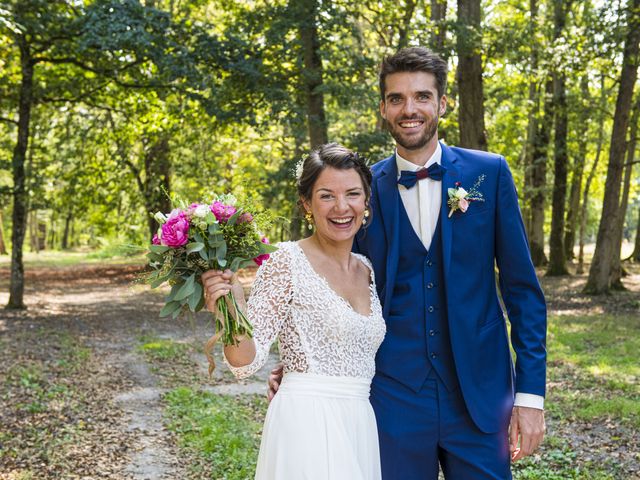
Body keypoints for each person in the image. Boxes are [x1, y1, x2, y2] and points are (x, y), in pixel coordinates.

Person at [269, 47, 547, 479]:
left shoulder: (488, 175)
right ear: (383, 108)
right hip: (391, 397)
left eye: (421, 96)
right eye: (396, 98)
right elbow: (335, 280)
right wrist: (303, 363)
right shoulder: (360, 190)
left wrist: (530, 397)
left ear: (442, 103)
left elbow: (524, 295)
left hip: (480, 396)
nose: (409, 109)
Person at [201, 144, 386, 480]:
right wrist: (232, 309)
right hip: (307, 423)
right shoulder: (286, 261)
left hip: (360, 422)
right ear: (306, 204)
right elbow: (246, 363)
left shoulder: (367, 268)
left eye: (353, 194)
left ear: (366, 201)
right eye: (327, 195)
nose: (342, 207)